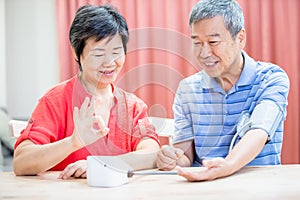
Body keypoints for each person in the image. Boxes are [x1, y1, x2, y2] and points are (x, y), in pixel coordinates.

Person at [13, 5, 160, 179]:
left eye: (116, 52)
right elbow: (21, 162)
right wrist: (72, 143)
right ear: (77, 53)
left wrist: (101, 165)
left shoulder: (132, 106)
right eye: (98, 54)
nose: (110, 62)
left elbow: (151, 153)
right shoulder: (55, 101)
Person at [156, 0, 290, 181]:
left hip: (259, 187)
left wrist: (228, 165)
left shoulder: (270, 78)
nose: (204, 53)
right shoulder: (187, 89)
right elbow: (185, 156)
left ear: (240, 38)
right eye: (197, 42)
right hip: (204, 189)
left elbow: (259, 131)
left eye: (213, 42)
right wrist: (173, 158)